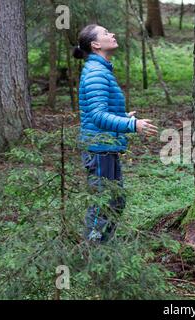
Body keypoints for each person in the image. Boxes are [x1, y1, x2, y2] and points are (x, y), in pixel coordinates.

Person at [73, 24, 158, 243]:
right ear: (95, 45)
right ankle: (91, 252)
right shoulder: (96, 73)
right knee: (103, 204)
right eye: (106, 33)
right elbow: (98, 116)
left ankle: (104, 250)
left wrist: (123, 116)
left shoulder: (101, 70)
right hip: (99, 149)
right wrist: (133, 125)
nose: (112, 34)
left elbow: (102, 111)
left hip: (106, 147)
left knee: (116, 202)